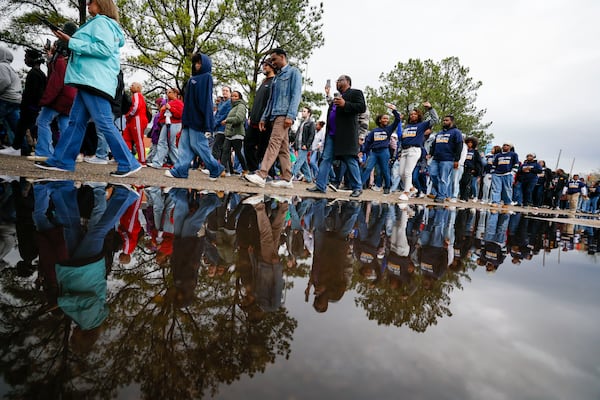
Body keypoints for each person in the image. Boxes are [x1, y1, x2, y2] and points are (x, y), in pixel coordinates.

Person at [34, 0, 141, 177]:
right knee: (76, 122)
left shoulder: (101, 22)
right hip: (90, 79)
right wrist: (70, 41)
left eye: (91, 2)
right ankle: (62, 160)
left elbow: (104, 49)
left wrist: (72, 42)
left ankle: (128, 162)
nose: (88, 5)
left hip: (93, 79)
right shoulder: (104, 24)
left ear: (100, 4)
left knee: (104, 122)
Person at [245, 48, 302, 189]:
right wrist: (264, 117)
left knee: (273, 143)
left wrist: (291, 115)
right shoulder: (276, 77)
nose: (273, 63)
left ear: (282, 57)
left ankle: (262, 174)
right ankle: (287, 177)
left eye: (274, 59)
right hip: (274, 115)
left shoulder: (294, 72)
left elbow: (296, 95)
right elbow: (271, 100)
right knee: (283, 148)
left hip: (284, 115)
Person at [165, 52, 224, 180]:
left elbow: (206, 101)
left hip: (198, 119)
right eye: (196, 63)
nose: (197, 65)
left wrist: (208, 122)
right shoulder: (192, 79)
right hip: (188, 118)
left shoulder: (206, 77)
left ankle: (215, 168)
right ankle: (181, 170)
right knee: (185, 145)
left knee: (199, 145)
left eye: (200, 63)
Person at [306, 75, 367, 197]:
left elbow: (361, 107)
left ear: (347, 82)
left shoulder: (355, 93)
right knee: (326, 158)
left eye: (339, 81)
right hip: (332, 134)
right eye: (336, 81)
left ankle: (357, 187)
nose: (337, 83)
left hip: (346, 135)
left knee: (350, 159)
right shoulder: (336, 98)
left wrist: (345, 104)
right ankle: (320, 185)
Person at [33, 24, 78, 160]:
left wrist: (45, 100)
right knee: (64, 123)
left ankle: (44, 151)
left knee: (42, 121)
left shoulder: (59, 60)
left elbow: (56, 83)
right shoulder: (70, 58)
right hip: (71, 96)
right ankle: (68, 153)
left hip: (61, 96)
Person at [0, 49, 46, 157]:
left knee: (26, 127)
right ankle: (21, 148)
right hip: (29, 105)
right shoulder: (41, 73)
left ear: (32, 59)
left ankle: (19, 148)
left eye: (26, 57)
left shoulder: (33, 74)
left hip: (29, 106)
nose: (25, 60)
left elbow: (33, 93)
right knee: (20, 126)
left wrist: (29, 106)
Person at [397, 102, 439, 201]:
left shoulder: (422, 125)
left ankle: (406, 192)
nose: (412, 115)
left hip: (414, 149)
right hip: (404, 150)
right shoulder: (407, 127)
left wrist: (430, 108)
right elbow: (401, 138)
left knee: (408, 172)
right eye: (411, 114)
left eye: (415, 114)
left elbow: (435, 120)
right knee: (401, 173)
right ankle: (412, 188)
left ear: (418, 116)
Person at [360, 103, 401, 194]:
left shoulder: (389, 129)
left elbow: (398, 119)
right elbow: (368, 142)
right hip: (374, 153)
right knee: (368, 168)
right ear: (380, 120)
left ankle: (387, 187)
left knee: (385, 169)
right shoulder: (374, 131)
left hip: (384, 151)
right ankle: (359, 187)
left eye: (387, 118)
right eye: (384, 118)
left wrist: (394, 110)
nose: (386, 120)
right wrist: (363, 152)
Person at [244, 58, 276, 174]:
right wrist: (251, 116)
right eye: (263, 65)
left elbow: (270, 103)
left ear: (272, 67)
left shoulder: (274, 82)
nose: (264, 67)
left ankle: (270, 174)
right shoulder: (263, 82)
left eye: (266, 65)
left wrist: (266, 119)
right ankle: (253, 170)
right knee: (247, 145)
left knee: (263, 149)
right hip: (254, 121)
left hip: (264, 123)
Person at [429, 115, 464, 203]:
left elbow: (459, 146)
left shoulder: (456, 132)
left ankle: (441, 196)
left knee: (443, 178)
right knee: (432, 174)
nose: (444, 122)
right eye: (443, 120)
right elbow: (434, 144)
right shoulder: (439, 133)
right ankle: (441, 192)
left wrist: (456, 160)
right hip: (436, 158)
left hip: (447, 159)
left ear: (451, 122)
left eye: (446, 120)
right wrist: (430, 153)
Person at [148, 87, 183, 169]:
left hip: (174, 124)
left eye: (170, 92)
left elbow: (180, 115)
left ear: (175, 94)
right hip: (166, 124)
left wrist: (171, 109)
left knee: (170, 144)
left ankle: (179, 163)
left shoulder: (178, 103)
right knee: (163, 142)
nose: (168, 94)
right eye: (167, 92)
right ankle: (157, 162)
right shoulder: (168, 103)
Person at [220, 90, 248, 175]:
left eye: (236, 96)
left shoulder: (241, 106)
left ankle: (245, 169)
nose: (233, 98)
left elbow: (239, 118)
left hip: (237, 132)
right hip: (229, 133)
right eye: (232, 96)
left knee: (238, 152)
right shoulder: (233, 107)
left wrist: (227, 120)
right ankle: (222, 170)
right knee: (225, 151)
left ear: (239, 97)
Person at [122, 82, 148, 164]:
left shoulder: (137, 95)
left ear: (138, 88)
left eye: (132, 85)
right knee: (126, 137)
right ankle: (127, 156)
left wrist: (129, 115)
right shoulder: (136, 96)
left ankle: (142, 160)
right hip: (133, 120)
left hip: (137, 119)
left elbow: (136, 106)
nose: (130, 86)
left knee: (138, 140)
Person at [0, 47, 21, 145]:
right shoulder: (10, 68)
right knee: (16, 126)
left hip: (5, 98)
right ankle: (21, 147)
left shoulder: (2, 66)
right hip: (15, 99)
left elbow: (5, 81)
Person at [490, 141, 519, 207]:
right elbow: (494, 164)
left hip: (508, 174)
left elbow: (516, 164)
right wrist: (493, 172)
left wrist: (512, 173)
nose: (505, 146)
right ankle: (495, 202)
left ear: (510, 147)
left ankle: (507, 202)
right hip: (497, 174)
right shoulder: (498, 155)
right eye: (504, 145)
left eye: (507, 145)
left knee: (507, 189)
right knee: (496, 188)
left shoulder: (513, 154)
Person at [291, 106, 316, 183]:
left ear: (309, 113)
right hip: (299, 145)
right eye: (302, 111)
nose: (302, 112)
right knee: (304, 163)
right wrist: (294, 143)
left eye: (304, 111)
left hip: (304, 146)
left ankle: (291, 175)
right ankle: (308, 178)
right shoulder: (302, 122)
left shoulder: (311, 123)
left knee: (298, 161)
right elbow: (298, 134)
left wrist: (307, 145)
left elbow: (312, 135)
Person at [459, 136, 483, 202]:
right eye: (468, 142)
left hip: (470, 169)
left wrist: (476, 170)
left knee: (467, 183)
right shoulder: (464, 150)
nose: (469, 144)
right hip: (463, 167)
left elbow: (478, 162)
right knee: (462, 182)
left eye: (471, 143)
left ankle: (465, 197)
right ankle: (461, 196)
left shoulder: (475, 152)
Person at [211, 85, 231, 161]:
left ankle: (214, 167)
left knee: (216, 147)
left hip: (223, 128)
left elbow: (224, 115)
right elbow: (217, 114)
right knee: (222, 148)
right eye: (223, 90)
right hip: (217, 127)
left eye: (226, 91)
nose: (224, 92)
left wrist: (215, 124)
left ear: (230, 93)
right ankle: (226, 169)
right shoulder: (221, 103)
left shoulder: (229, 102)